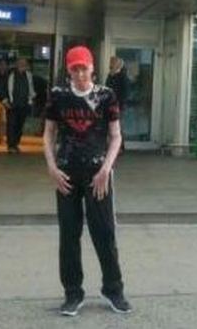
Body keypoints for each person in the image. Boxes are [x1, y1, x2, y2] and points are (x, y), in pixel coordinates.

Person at [43, 46, 131, 317]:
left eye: (84, 68)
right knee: (69, 235)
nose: (80, 74)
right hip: (66, 175)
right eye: (75, 69)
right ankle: (73, 293)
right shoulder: (58, 96)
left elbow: (116, 136)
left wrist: (106, 168)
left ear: (92, 68)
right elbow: (48, 134)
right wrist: (52, 167)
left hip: (98, 175)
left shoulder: (106, 96)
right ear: (68, 71)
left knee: (104, 233)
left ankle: (113, 289)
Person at [4, 58, 35, 154]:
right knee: (11, 125)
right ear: (16, 64)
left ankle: (16, 144)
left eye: (24, 64)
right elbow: (4, 88)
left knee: (19, 126)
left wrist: (31, 98)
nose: (22, 65)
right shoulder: (10, 75)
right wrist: (5, 101)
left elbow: (31, 88)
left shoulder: (29, 75)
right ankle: (11, 145)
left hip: (24, 104)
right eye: (20, 63)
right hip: (12, 104)